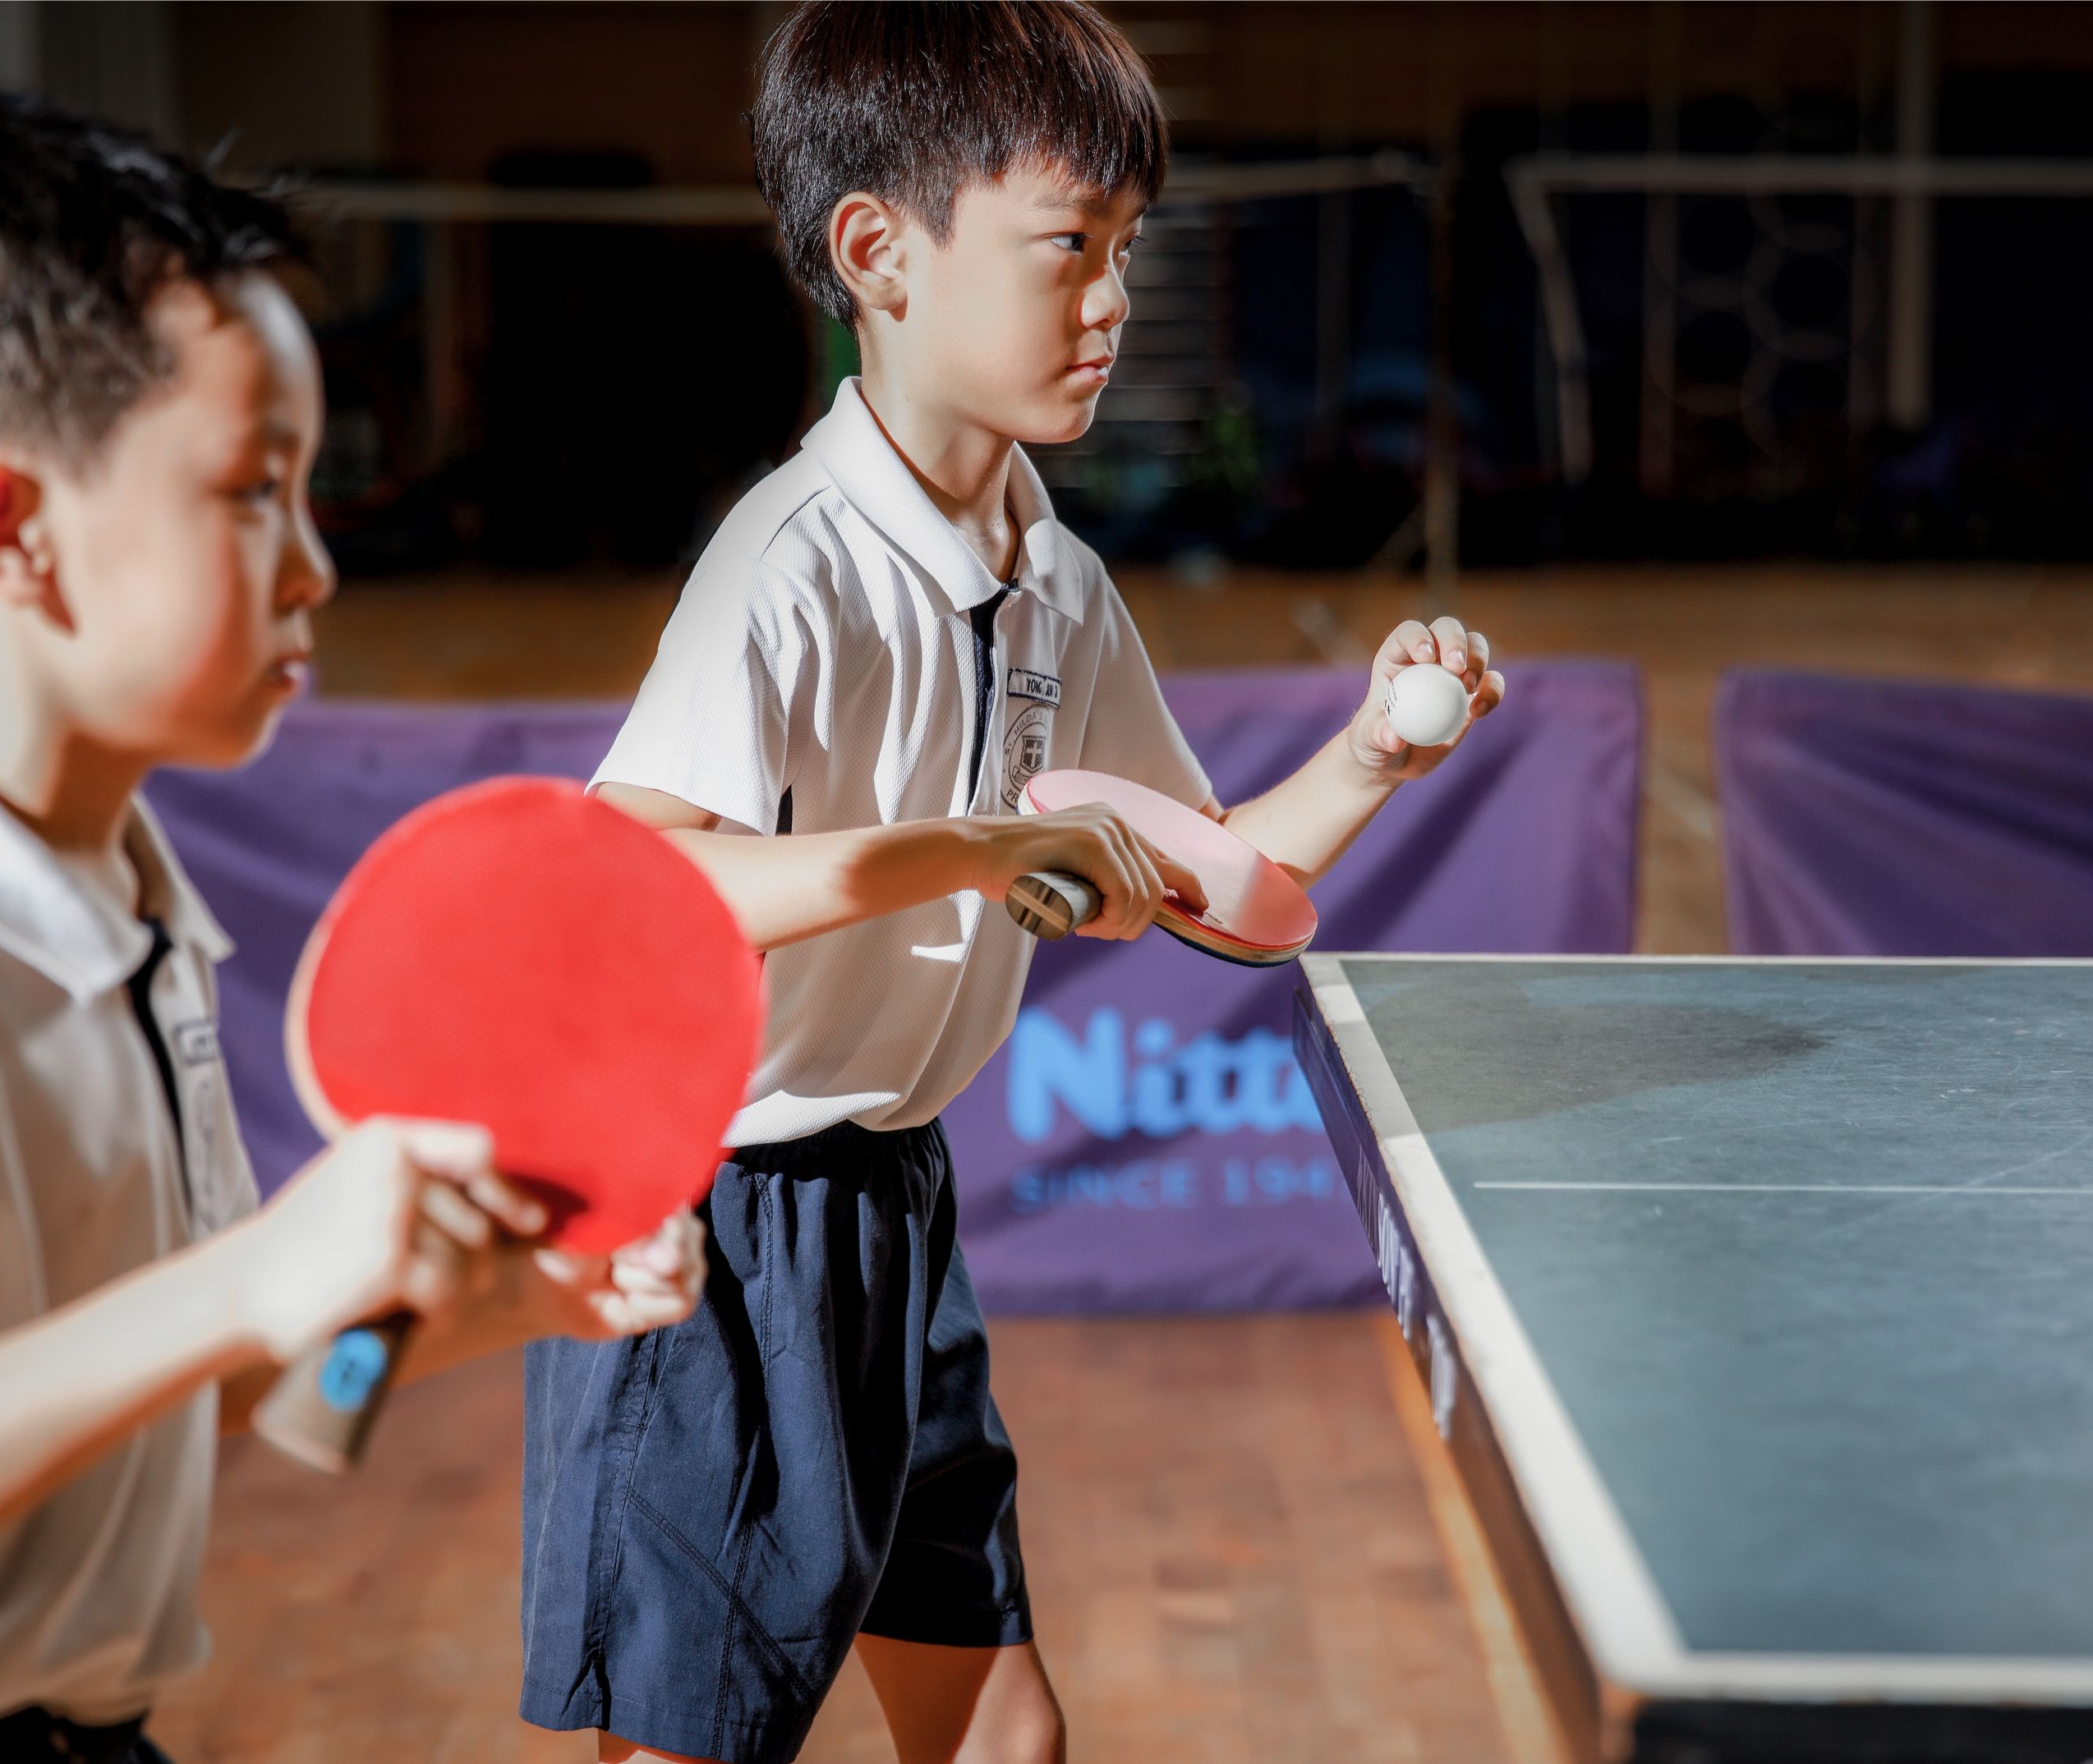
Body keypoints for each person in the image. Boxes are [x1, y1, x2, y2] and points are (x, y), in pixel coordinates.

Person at [520, 6, 1504, 1761]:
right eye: (1070, 250)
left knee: (1001, 1736)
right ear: (878, 256)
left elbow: (1218, 889)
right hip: (712, 1235)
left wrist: (1370, 757)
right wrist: (972, 851)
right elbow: (634, 885)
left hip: (895, 1209)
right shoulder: (790, 564)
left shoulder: (1054, 575)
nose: (1113, 299)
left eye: (1129, 252)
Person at [0, 106, 704, 1764]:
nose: (314, 567)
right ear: (8, 532)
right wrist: (249, 1278)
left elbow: (216, 1389)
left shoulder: (133, 905)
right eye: (251, 492)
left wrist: (525, 1305)